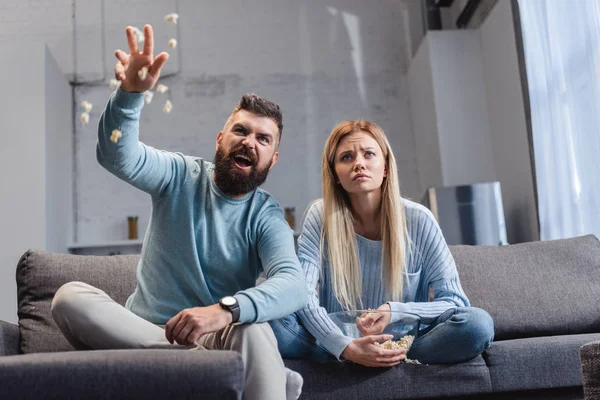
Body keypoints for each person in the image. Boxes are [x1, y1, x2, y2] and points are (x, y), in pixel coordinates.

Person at [51, 24, 308, 400]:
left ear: (273, 159)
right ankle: (205, 365)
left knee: (253, 330)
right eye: (241, 130)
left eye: (263, 139)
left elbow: (293, 284)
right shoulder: (179, 175)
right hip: (142, 328)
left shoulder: (265, 216)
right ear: (220, 139)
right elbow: (117, 156)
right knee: (69, 297)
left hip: (216, 335)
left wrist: (223, 311)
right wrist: (129, 95)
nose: (249, 142)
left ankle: (201, 361)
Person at [270, 120, 494, 367]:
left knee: (477, 324)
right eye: (346, 157)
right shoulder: (319, 216)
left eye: (369, 154)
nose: (359, 163)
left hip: (405, 343)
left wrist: (394, 311)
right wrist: (344, 346)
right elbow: (302, 294)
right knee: (271, 319)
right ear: (335, 174)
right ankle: (352, 357)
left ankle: (389, 357)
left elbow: (455, 302)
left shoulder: (419, 220)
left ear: (385, 167)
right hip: (337, 345)